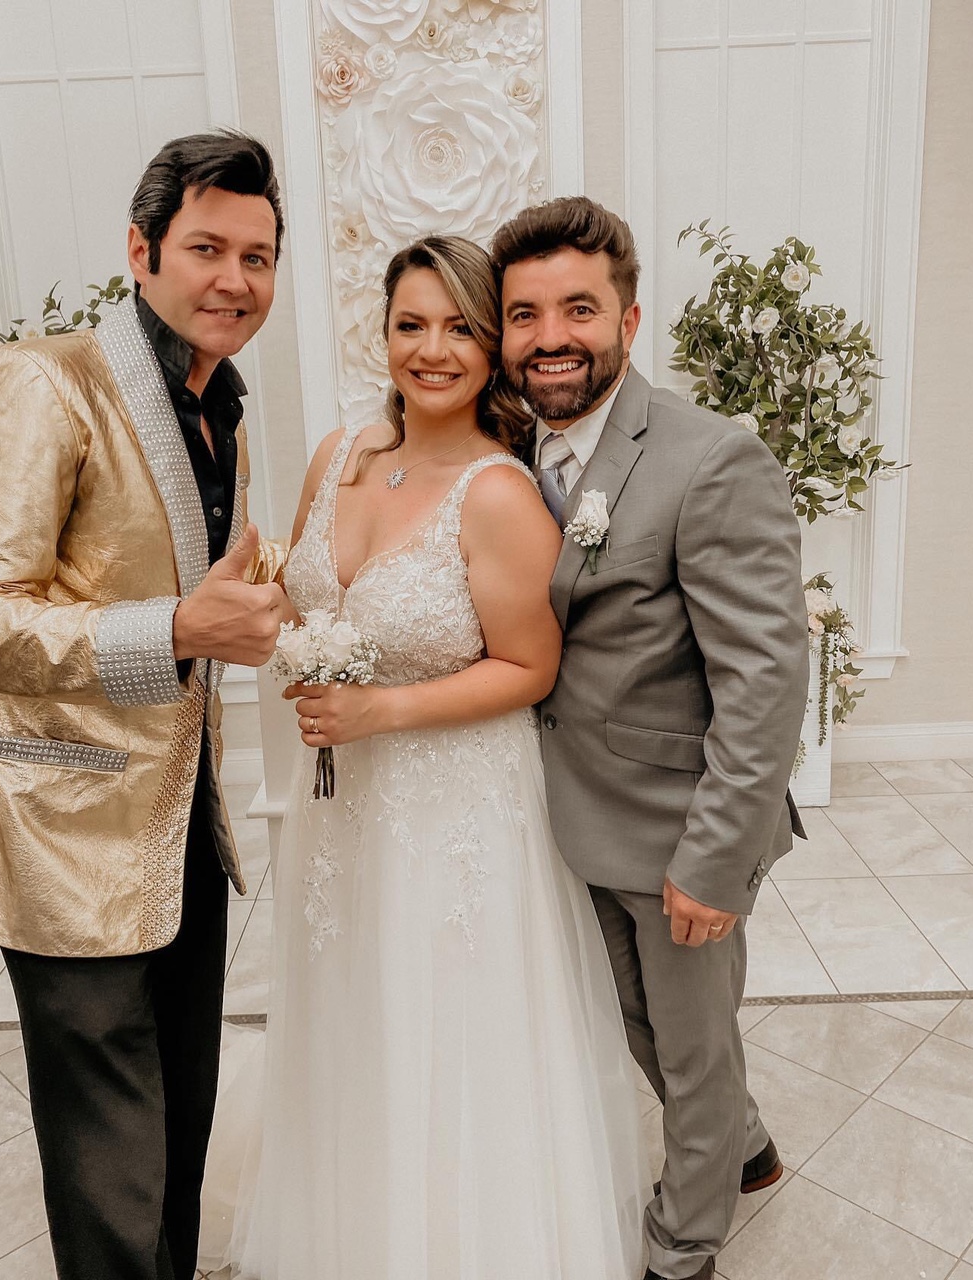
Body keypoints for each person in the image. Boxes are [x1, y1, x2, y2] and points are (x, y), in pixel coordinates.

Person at [207, 235, 646, 1279]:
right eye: (411, 324)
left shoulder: (497, 493)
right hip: (342, 806)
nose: (432, 349)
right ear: (384, 332)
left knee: (448, 1021)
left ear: (491, 348)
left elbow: (530, 666)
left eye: (460, 328)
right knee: (355, 1006)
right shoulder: (339, 455)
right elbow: (308, 604)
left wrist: (382, 709)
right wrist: (260, 609)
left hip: (458, 808)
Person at [0, 130, 288, 1280]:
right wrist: (179, 628)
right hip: (64, 824)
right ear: (141, 252)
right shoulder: (39, 382)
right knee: (112, 1158)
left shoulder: (222, 407)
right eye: (207, 248)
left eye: (258, 256)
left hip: (178, 818)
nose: (235, 279)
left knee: (181, 1110)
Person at [490, 196, 809, 1280]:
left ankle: (684, 1245)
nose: (551, 337)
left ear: (628, 320)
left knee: (688, 1044)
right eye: (525, 314)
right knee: (634, 1024)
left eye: (578, 309)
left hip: (679, 826)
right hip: (568, 812)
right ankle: (747, 1149)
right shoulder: (511, 450)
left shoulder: (709, 457)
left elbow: (763, 678)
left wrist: (714, 859)